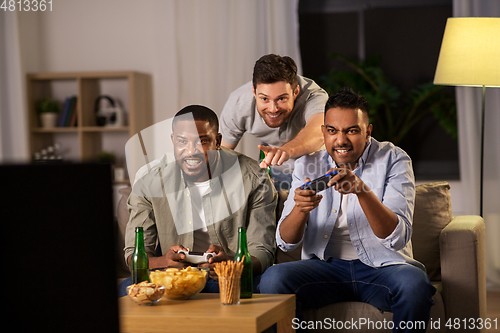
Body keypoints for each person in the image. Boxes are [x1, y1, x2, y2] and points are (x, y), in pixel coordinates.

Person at [259, 88, 436, 332]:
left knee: (415, 284)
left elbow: (397, 238)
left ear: (368, 131)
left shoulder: (394, 159)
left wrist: (362, 192)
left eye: (351, 131)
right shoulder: (308, 164)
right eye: (332, 131)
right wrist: (300, 209)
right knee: (272, 279)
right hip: (324, 269)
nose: (340, 140)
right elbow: (285, 243)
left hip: (382, 269)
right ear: (323, 132)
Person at [121, 105, 277, 296]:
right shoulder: (149, 179)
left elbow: (263, 251)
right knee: (124, 289)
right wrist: (164, 262)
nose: (190, 151)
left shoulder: (255, 178)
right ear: (173, 141)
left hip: (229, 279)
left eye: (202, 141)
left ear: (218, 141)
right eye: (182, 141)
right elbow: (134, 253)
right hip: (175, 280)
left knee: (268, 284)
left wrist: (230, 265)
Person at [220, 54, 328, 191]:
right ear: (254, 91)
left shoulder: (314, 96)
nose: (273, 109)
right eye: (265, 99)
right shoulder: (238, 103)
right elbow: (222, 154)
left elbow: (319, 131)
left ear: (295, 92)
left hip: (317, 171)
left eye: (281, 99)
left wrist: (285, 151)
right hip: (276, 171)